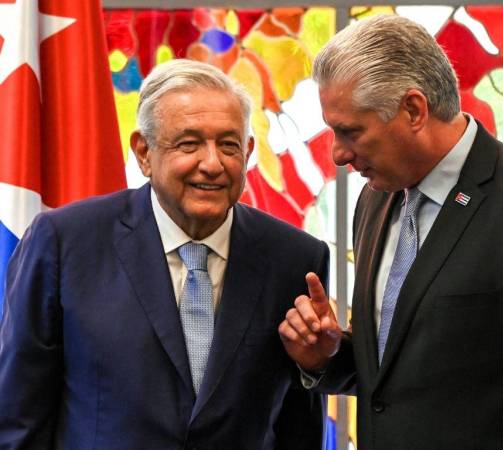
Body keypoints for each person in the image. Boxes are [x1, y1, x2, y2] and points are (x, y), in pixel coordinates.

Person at [279, 14, 503, 450]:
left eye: (349, 131)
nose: (337, 154)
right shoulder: (375, 200)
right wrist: (328, 356)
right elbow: (400, 371)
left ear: (413, 110)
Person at [0, 59, 329, 449]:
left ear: (248, 151)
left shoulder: (294, 258)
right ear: (143, 152)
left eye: (228, 145)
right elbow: (19, 416)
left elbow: (300, 424)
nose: (212, 164)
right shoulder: (65, 243)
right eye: (189, 144)